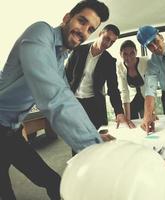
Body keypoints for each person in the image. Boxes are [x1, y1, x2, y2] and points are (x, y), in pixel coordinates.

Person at [0, 1, 113, 199]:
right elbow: (54, 97)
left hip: (12, 132)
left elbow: (67, 96)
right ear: (67, 17)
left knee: (54, 183)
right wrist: (93, 147)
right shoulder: (40, 33)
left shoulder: (59, 59)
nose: (84, 31)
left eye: (90, 29)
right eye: (82, 21)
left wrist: (92, 135)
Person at [65, 24, 134, 130]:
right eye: (106, 38)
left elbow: (113, 89)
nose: (108, 43)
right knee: (76, 135)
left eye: (112, 42)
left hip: (94, 104)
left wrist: (119, 112)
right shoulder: (78, 51)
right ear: (100, 33)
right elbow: (65, 77)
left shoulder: (109, 61)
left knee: (96, 138)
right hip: (74, 101)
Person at [117, 40, 149, 122]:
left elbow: (150, 86)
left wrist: (151, 111)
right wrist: (127, 119)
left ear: (136, 52)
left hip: (146, 98)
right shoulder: (120, 67)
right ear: (120, 54)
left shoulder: (145, 61)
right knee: (132, 124)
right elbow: (124, 91)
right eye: (125, 54)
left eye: (132, 53)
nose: (129, 57)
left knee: (148, 121)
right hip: (131, 101)